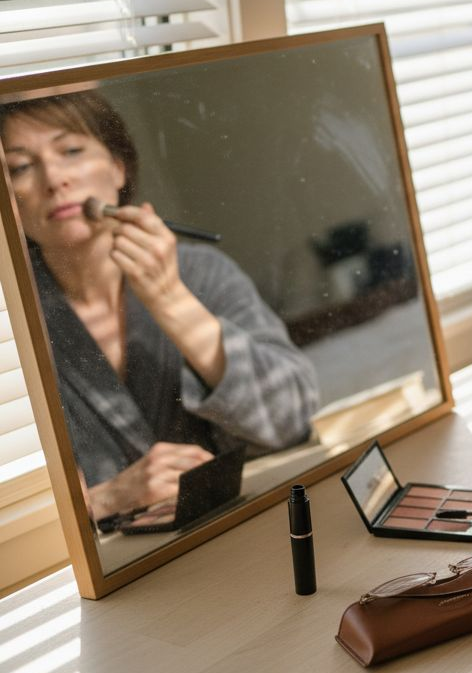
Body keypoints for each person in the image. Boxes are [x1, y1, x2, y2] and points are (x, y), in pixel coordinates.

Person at [1, 90, 320, 522]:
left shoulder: (203, 273)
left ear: (119, 166)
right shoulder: (11, 323)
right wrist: (106, 499)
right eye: (20, 167)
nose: (54, 179)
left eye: (71, 151)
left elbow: (292, 418)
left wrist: (172, 300)